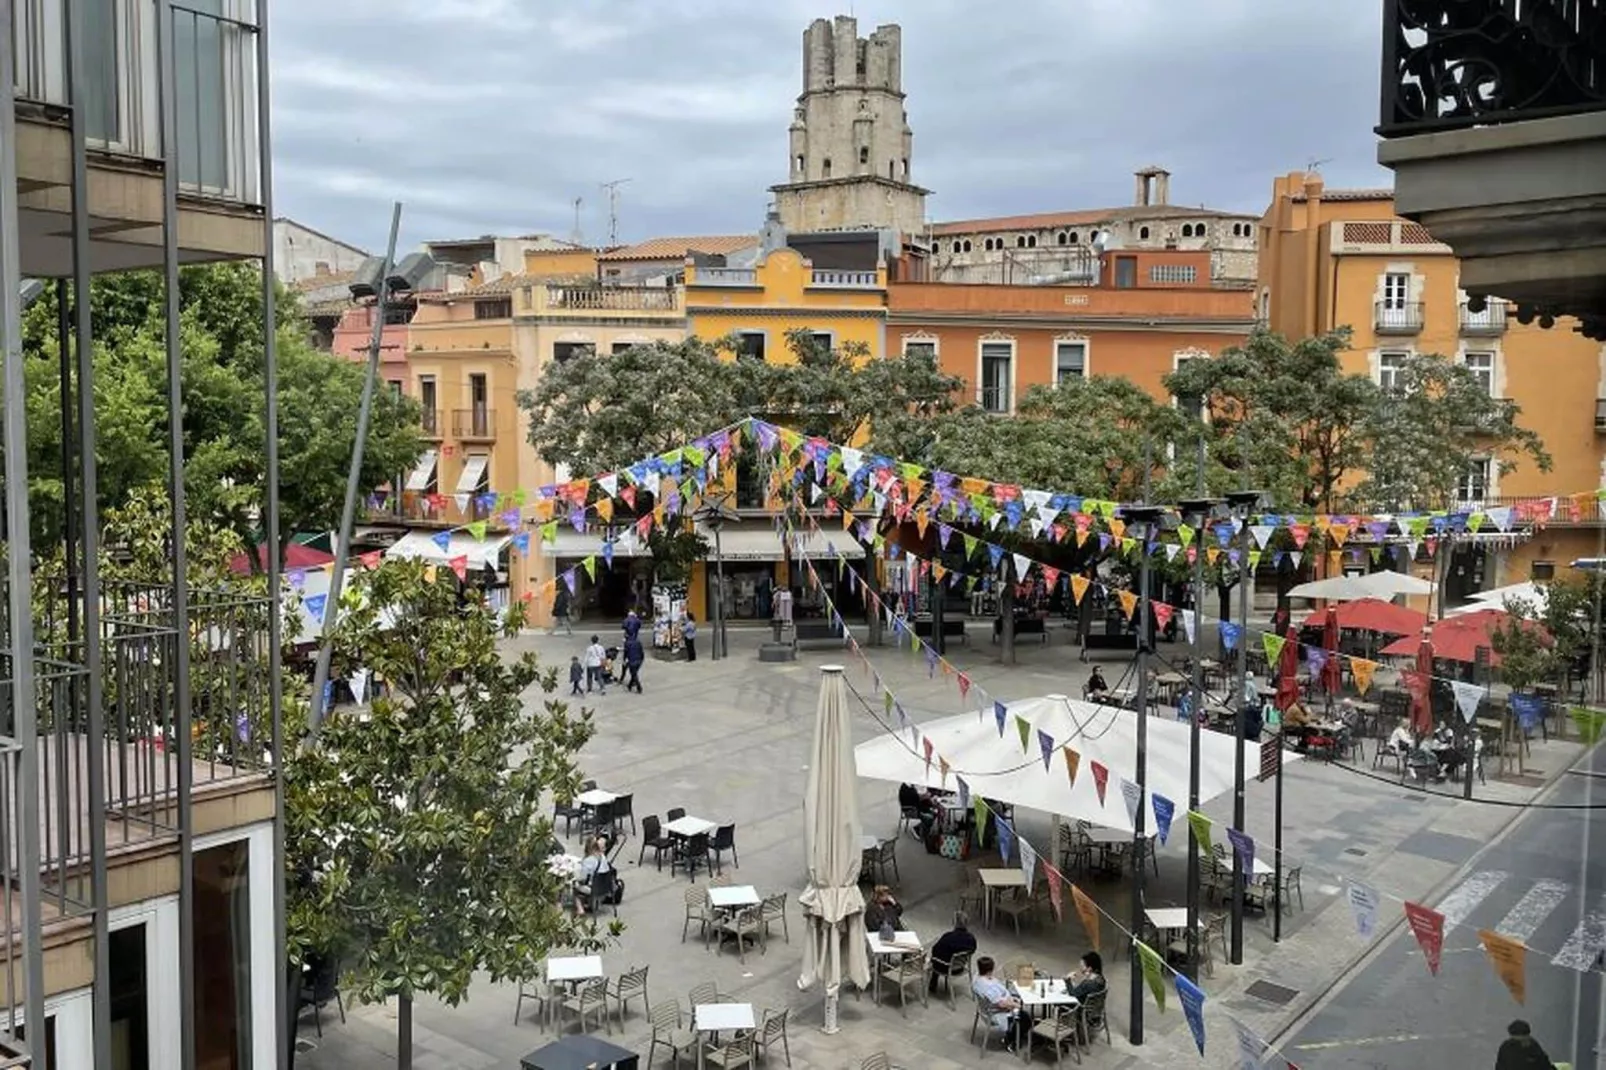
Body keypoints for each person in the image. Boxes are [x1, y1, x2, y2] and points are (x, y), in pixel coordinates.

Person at [971, 956, 1028, 1054]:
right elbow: (1001, 1004)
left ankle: (1016, 1033)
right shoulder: (987, 987)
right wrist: (1015, 1004)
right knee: (1026, 1019)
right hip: (996, 1012)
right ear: (990, 970)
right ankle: (1010, 1040)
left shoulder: (977, 978)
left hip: (992, 1006)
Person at [928, 911, 977, 993]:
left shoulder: (948, 937)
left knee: (934, 959)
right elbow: (973, 950)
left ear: (954, 922)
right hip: (961, 967)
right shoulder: (971, 938)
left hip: (947, 968)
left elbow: (935, 951)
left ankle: (932, 984)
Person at [573, 837, 613, 916]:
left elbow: (582, 879)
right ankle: (590, 904)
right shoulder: (603, 857)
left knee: (575, 885)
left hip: (595, 889)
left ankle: (580, 908)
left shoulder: (588, 860)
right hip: (605, 888)